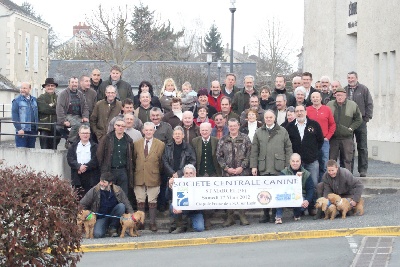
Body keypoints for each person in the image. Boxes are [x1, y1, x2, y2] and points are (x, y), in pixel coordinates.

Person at [250, 110, 292, 223]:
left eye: (270, 117)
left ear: (274, 118)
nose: (268, 119)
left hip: (278, 166)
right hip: (263, 167)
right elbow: (254, 150)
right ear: (264, 119)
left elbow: (288, 149)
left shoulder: (283, 131)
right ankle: (265, 214)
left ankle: (275, 213)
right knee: (264, 191)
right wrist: (254, 166)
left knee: (276, 192)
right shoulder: (258, 132)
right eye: (266, 117)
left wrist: (288, 166)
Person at [216, 118, 252, 227]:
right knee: (229, 196)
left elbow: (249, 154)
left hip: (242, 172)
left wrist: (242, 167)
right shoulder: (223, 139)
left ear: (238, 126)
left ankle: (242, 216)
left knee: (242, 195)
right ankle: (229, 217)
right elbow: (219, 156)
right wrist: (226, 168)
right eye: (230, 126)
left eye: (234, 125)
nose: (232, 128)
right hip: (228, 173)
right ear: (228, 126)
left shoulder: (245, 138)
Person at [80, 172, 134, 238]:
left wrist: (132, 217)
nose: (101, 184)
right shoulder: (94, 190)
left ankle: (112, 228)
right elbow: (82, 204)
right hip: (100, 217)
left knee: (121, 206)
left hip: (114, 216)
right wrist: (87, 214)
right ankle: (105, 228)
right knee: (98, 234)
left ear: (110, 183)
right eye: (101, 181)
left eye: (104, 182)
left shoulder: (118, 190)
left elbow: (127, 203)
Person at [132, 122, 165, 232]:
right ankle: (140, 222)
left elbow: (161, 162)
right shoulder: (136, 144)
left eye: (150, 130)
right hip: (139, 175)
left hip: (153, 175)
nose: (148, 132)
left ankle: (152, 223)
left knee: (152, 200)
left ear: (154, 131)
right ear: (143, 131)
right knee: (140, 200)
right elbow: (134, 159)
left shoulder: (160, 144)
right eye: (146, 130)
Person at [163, 126, 196, 231]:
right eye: (175, 134)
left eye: (179, 134)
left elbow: (192, 161)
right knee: (172, 200)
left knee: (183, 201)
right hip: (171, 177)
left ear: (183, 135)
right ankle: (173, 224)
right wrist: (173, 173)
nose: (177, 136)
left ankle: (183, 224)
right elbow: (164, 161)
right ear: (173, 136)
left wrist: (180, 173)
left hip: (184, 178)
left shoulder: (188, 147)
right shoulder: (167, 147)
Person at [191, 122, 221, 230]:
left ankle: (208, 218)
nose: (204, 132)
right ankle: (203, 218)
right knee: (201, 197)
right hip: (199, 174)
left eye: (206, 130)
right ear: (200, 131)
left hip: (212, 174)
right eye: (202, 130)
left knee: (210, 198)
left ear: (210, 130)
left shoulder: (216, 141)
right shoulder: (195, 141)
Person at [286, 105, 324, 188]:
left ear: (306, 112)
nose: (299, 113)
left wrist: (313, 153)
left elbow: (320, 140)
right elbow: (287, 143)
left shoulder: (314, 125)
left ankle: (313, 201)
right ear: (295, 113)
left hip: (312, 161)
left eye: (301, 111)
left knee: (313, 183)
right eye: (297, 111)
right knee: (297, 185)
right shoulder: (289, 126)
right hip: (296, 163)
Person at [345, 71, 374, 177]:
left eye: (352, 77)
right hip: (348, 122)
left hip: (361, 121)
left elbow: (369, 104)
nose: (350, 79)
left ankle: (363, 170)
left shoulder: (363, 89)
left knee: (362, 146)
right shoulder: (344, 90)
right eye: (348, 78)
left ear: (356, 78)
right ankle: (349, 170)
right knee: (349, 147)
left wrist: (366, 118)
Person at [327, 87, 362, 171]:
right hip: (333, 138)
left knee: (347, 160)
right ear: (335, 95)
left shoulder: (352, 105)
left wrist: (351, 128)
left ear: (345, 95)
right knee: (332, 160)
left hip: (346, 137)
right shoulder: (329, 105)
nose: (339, 97)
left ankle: (348, 180)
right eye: (338, 95)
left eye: (341, 95)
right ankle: (332, 180)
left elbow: (359, 119)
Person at [96, 118, 134, 196]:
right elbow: (99, 154)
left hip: (123, 171)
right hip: (110, 170)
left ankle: (122, 208)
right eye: (118, 125)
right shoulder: (106, 139)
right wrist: (103, 169)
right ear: (114, 126)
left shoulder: (128, 140)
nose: (120, 127)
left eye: (123, 126)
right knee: (108, 194)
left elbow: (131, 156)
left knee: (123, 194)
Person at [275, 153, 314, 223]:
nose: (295, 163)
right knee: (278, 196)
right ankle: (278, 217)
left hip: (300, 196)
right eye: (293, 161)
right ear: (290, 162)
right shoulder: (283, 173)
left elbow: (310, 189)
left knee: (302, 204)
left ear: (300, 162)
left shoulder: (306, 174)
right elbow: (279, 189)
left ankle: (296, 215)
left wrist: (307, 200)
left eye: (297, 161)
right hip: (286, 196)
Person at [307, 92, 336, 181]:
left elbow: (332, 124)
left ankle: (324, 184)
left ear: (320, 98)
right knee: (313, 164)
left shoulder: (327, 109)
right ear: (311, 99)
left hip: (324, 141)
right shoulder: (307, 110)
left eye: (317, 97)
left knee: (324, 163)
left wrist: (328, 137)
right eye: (313, 97)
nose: (315, 99)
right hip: (312, 142)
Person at [168, 164, 205, 233]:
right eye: (186, 173)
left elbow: (201, 203)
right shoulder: (178, 182)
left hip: (195, 211)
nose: (188, 175)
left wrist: (183, 210)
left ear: (195, 174)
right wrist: (170, 186)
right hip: (182, 209)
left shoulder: (200, 183)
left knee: (199, 228)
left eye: (191, 173)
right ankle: (180, 225)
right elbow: (168, 197)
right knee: (172, 206)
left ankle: (189, 224)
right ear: (183, 174)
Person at [67, 125, 99, 199]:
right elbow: (70, 159)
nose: (85, 135)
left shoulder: (95, 146)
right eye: (83, 133)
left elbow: (96, 159)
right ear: (79, 133)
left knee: (90, 199)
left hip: (91, 176)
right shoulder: (73, 146)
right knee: (78, 198)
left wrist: (85, 167)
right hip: (77, 176)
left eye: (87, 133)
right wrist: (78, 167)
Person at [56, 77, 89, 147]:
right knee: (77, 125)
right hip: (68, 115)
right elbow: (59, 108)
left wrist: (85, 116)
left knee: (87, 125)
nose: (74, 84)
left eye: (76, 82)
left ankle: (81, 143)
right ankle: (70, 141)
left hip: (78, 116)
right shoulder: (63, 94)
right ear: (69, 83)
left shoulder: (80, 94)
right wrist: (63, 121)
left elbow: (85, 107)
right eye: (72, 82)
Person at [12, 82, 39, 148]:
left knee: (31, 151)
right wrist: (19, 129)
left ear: (30, 89)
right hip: (22, 131)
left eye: (25, 88)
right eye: (21, 88)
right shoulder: (16, 101)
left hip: (33, 130)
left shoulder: (34, 100)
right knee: (21, 151)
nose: (22, 90)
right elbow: (14, 116)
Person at [37, 78, 61, 149]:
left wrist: (51, 107)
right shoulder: (41, 98)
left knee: (54, 147)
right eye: (48, 86)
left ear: (55, 87)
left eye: (52, 85)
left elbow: (62, 109)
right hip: (44, 127)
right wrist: (55, 109)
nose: (50, 87)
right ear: (45, 87)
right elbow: (44, 109)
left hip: (56, 126)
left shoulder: (59, 98)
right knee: (44, 147)